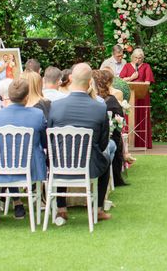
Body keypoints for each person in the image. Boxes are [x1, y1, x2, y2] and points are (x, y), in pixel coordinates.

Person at [48, 63, 111, 225]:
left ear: (70, 79)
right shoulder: (99, 108)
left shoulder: (55, 106)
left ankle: (61, 208)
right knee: (107, 157)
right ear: (90, 82)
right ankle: (98, 208)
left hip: (59, 166)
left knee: (61, 152)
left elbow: (50, 140)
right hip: (89, 165)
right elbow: (103, 143)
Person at [0, 78, 47, 220]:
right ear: (27, 97)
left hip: (0, 166)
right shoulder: (37, 114)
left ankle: (12, 202)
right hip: (31, 167)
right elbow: (44, 143)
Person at [93, 70, 127, 186]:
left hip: (98, 141)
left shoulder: (104, 101)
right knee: (108, 146)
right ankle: (104, 182)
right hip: (102, 142)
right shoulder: (109, 101)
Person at [120, 48, 155, 149]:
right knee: (129, 116)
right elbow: (121, 80)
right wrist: (131, 78)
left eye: (140, 58)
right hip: (129, 96)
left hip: (142, 96)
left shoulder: (146, 66)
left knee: (141, 116)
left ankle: (141, 143)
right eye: (136, 57)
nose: (138, 60)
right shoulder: (127, 66)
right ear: (132, 57)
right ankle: (128, 142)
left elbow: (147, 82)